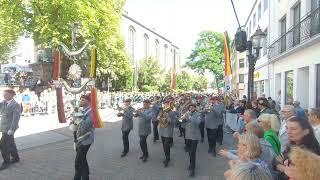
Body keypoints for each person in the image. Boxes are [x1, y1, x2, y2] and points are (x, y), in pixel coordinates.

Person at [73, 94, 95, 180]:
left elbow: (86, 125)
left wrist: (78, 118)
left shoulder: (91, 112)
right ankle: (85, 176)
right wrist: (74, 117)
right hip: (79, 139)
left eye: (83, 100)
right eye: (80, 99)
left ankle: (78, 178)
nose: (80, 101)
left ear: (88, 101)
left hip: (86, 140)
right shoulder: (81, 110)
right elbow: (74, 124)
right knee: (82, 160)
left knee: (78, 162)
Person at [0, 89, 22, 171]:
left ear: (11, 95)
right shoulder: (3, 103)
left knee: (3, 145)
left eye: (6, 94)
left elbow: (16, 118)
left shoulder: (15, 105)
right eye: (3, 94)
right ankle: (16, 158)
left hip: (9, 129)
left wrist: (12, 129)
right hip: (4, 128)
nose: (4, 96)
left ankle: (6, 162)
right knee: (11, 143)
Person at [183, 103, 201, 177]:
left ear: (195, 108)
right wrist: (183, 118)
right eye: (190, 108)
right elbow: (182, 123)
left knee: (193, 152)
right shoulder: (187, 114)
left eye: (192, 107)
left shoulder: (198, 114)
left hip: (194, 136)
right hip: (188, 136)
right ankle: (191, 163)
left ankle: (192, 169)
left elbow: (198, 122)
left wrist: (189, 116)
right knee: (190, 152)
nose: (191, 109)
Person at [158, 99, 177, 167]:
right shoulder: (161, 111)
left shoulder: (172, 112)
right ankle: (167, 155)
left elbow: (175, 121)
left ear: (170, 105)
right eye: (165, 104)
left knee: (166, 145)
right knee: (164, 145)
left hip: (168, 131)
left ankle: (167, 158)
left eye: (167, 104)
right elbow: (159, 118)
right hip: (162, 130)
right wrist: (158, 117)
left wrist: (170, 120)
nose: (166, 105)